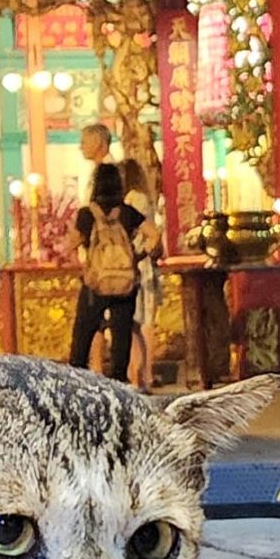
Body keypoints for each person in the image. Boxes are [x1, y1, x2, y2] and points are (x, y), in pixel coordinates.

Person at [70, 160, 145, 382]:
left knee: (84, 331)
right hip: (125, 282)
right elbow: (153, 234)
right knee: (122, 333)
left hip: (96, 283)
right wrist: (138, 255)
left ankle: (77, 378)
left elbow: (72, 243)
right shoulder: (127, 213)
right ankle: (119, 379)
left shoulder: (87, 214)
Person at [118, 157, 163, 389]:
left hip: (138, 266)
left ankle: (143, 372)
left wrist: (138, 253)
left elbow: (149, 233)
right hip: (139, 264)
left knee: (141, 321)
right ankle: (140, 372)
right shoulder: (141, 198)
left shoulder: (134, 200)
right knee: (137, 321)